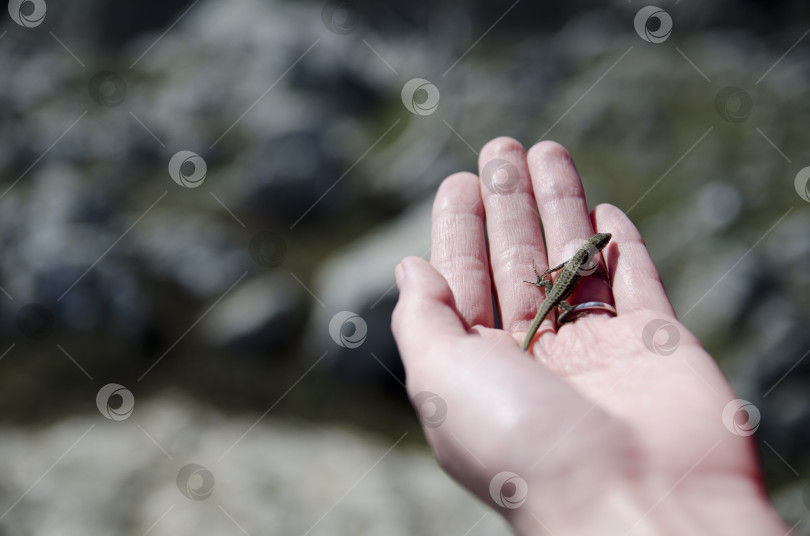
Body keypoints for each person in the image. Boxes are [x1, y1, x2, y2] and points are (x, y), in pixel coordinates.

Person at [391, 137, 789, 535]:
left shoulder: (582, 258)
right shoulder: (588, 261)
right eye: (601, 244)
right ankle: (533, 339)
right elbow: (579, 271)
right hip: (557, 301)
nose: (604, 244)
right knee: (546, 310)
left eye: (602, 243)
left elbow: (568, 269)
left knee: (548, 298)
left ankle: (533, 337)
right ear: (594, 246)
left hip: (555, 295)